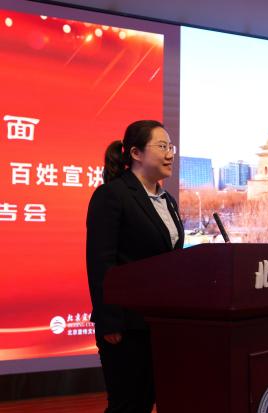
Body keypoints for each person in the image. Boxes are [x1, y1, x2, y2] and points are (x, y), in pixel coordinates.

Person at [86, 120, 184, 413]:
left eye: (171, 147)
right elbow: (100, 263)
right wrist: (110, 320)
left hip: (160, 323)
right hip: (126, 325)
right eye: (162, 146)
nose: (170, 154)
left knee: (147, 400)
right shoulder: (112, 195)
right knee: (127, 405)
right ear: (136, 153)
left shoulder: (167, 200)